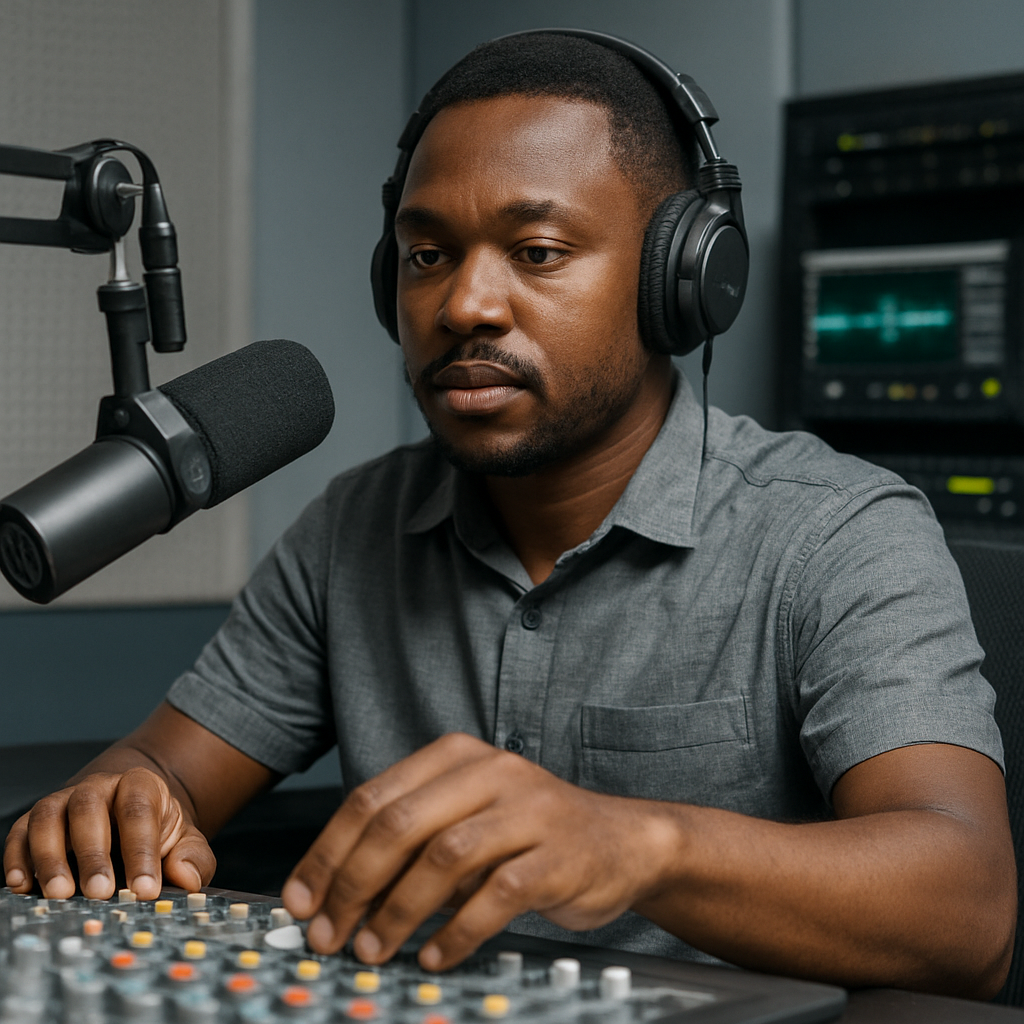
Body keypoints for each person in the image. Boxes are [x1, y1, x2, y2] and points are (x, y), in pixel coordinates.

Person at [4, 32, 1015, 998]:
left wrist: (637, 842)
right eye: (428, 255)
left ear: (681, 279)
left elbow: (967, 915)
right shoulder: (351, 528)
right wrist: (118, 805)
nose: (464, 306)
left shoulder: (838, 534)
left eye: (535, 252)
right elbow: (161, 771)